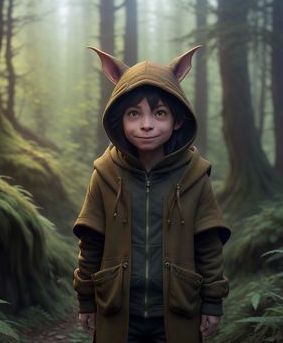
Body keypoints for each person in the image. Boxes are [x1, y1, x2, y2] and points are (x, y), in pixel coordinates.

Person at [73, 46, 231, 343]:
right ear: (119, 119)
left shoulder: (195, 176)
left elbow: (208, 245)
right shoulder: (104, 175)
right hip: (117, 311)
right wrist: (86, 299)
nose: (146, 124)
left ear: (178, 120)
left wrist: (212, 302)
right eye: (134, 114)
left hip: (179, 312)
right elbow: (90, 242)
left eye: (159, 113)